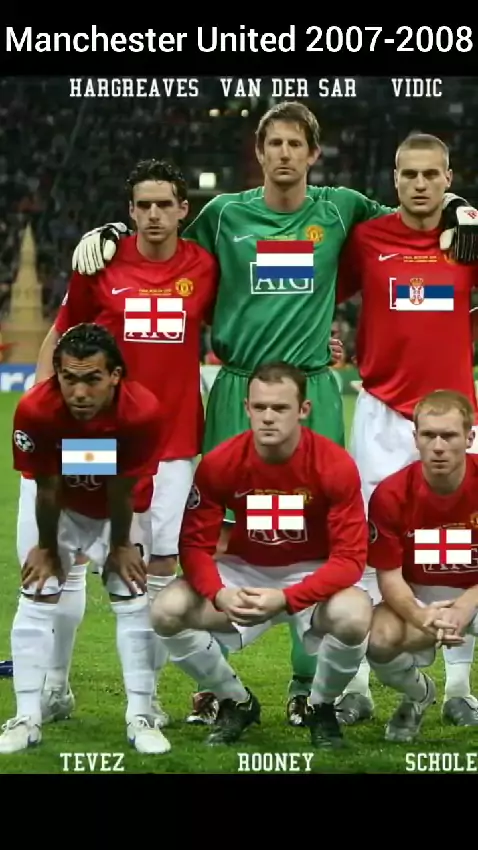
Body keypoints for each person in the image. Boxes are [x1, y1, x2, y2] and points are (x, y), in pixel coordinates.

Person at [69, 101, 478, 727]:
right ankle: (217, 685)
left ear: (313, 153)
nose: (284, 153)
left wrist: (460, 206)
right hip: (239, 390)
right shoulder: (222, 214)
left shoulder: (342, 210)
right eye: (274, 143)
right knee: (227, 530)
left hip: (314, 392)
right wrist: (112, 234)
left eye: (295, 143)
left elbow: (415, 207)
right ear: (258, 152)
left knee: (324, 534)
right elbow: (162, 242)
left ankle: (310, 682)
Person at [24, 158, 229, 728]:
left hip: (173, 445)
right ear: (130, 211)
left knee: (155, 567)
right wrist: (41, 411)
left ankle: (148, 697)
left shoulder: (206, 267)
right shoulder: (102, 263)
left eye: (165, 204)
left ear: (184, 210)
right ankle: (55, 687)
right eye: (144, 205)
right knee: (67, 558)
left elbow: (239, 325)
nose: (155, 214)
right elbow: (61, 334)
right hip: (99, 438)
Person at [150, 361, 371, 747]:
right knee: (166, 610)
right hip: (245, 572)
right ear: (247, 408)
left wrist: (288, 597)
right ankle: (235, 700)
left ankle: (321, 707)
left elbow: (351, 558)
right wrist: (218, 593)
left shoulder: (334, 464)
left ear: (303, 410)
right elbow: (195, 546)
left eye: (280, 408)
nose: (269, 417)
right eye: (260, 407)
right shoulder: (220, 463)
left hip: (310, 573)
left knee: (354, 615)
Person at [335, 133, 478, 727]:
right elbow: (315, 288)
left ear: (448, 179)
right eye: (409, 174)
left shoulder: (469, 240)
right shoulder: (368, 238)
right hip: (381, 411)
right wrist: (324, 336)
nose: (420, 184)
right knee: (370, 543)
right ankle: (359, 684)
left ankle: (459, 688)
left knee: (461, 546)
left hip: (456, 416)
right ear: (394, 179)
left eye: (431, 174)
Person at [0, 323, 170, 755]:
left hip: (119, 508)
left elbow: (122, 487)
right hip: (61, 506)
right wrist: (47, 547)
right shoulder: (36, 410)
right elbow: (47, 487)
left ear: (115, 375)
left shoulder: (142, 413)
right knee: (36, 592)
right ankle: (26, 717)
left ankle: (141, 715)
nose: (79, 393)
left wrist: (120, 546)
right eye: (68, 378)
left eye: (92, 379)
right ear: (56, 373)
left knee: (131, 594)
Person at [366, 389, 478, 743]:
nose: (439, 446)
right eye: (429, 435)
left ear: (470, 437)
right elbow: (388, 576)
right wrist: (420, 617)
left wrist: (465, 604)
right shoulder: (390, 494)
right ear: (415, 438)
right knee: (378, 640)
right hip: (416, 595)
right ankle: (418, 695)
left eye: (449, 435)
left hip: (474, 594)